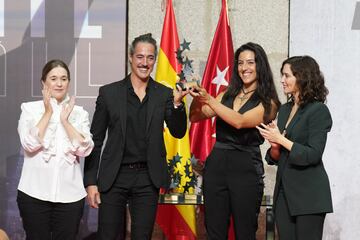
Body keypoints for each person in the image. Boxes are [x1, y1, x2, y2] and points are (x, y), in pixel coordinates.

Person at [84, 33, 189, 240]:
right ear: (131, 58)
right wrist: (91, 181)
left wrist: (177, 105)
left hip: (146, 178)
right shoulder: (109, 93)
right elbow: (94, 140)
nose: (145, 63)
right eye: (140, 57)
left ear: (154, 61)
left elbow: (178, 131)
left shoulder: (164, 94)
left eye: (150, 58)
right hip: (114, 176)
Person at [189, 42, 281, 239]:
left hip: (246, 168)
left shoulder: (269, 102)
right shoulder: (227, 94)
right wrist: (197, 95)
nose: (244, 68)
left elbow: (240, 122)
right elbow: (196, 116)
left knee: (245, 232)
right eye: (240, 63)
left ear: (260, 65)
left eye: (250, 62)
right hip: (216, 167)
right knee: (214, 230)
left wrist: (209, 99)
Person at [256, 56, 333, 240]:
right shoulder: (284, 109)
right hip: (284, 193)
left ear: (302, 77)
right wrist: (275, 145)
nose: (282, 80)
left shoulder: (318, 110)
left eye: (287, 75)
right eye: (282, 75)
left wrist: (281, 140)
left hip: (309, 195)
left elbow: (313, 154)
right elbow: (276, 155)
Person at [17, 59, 94, 240]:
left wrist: (65, 121)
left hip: (70, 197)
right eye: (53, 78)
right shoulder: (29, 109)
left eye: (64, 78)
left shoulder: (79, 113)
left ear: (68, 82)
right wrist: (48, 113)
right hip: (34, 193)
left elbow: (85, 149)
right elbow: (29, 143)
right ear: (44, 83)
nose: (59, 83)